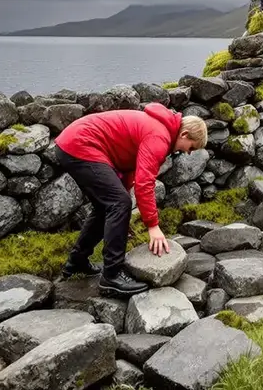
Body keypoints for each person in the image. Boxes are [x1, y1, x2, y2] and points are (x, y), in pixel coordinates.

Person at [53, 104, 208, 297]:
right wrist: (153, 226)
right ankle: (112, 277)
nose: (188, 152)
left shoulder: (159, 129)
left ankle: (77, 261)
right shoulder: (159, 137)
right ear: (184, 134)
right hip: (81, 144)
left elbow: (129, 166)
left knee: (108, 206)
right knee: (119, 203)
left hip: (74, 142)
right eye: (191, 148)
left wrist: (120, 219)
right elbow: (145, 183)